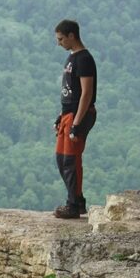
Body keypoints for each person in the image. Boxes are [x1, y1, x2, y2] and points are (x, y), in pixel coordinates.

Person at [52, 19, 96, 219]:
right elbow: (71, 92)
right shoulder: (71, 58)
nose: (59, 43)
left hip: (80, 115)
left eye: (61, 39)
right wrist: (62, 116)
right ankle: (76, 200)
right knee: (62, 159)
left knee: (71, 160)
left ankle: (74, 205)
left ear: (72, 36)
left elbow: (86, 93)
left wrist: (77, 123)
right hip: (68, 114)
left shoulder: (84, 59)